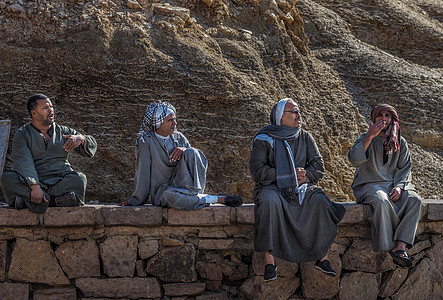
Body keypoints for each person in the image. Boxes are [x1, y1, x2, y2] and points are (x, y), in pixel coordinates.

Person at [249, 98, 345, 281]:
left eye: (299, 111)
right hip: (272, 187)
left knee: (319, 200)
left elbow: (318, 165)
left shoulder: (305, 137)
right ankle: (269, 260)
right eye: (294, 112)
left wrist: (306, 175)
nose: (298, 115)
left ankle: (322, 257)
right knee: (269, 202)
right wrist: (287, 174)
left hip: (301, 187)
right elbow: (257, 171)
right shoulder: (263, 139)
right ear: (281, 117)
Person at [119, 101, 242, 209]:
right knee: (172, 197)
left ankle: (195, 196)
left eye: (175, 119)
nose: (175, 123)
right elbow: (143, 171)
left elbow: (193, 161)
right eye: (170, 120)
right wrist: (136, 200)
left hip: (185, 188)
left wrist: (185, 149)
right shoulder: (146, 141)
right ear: (158, 122)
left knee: (193, 152)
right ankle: (216, 199)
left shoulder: (179, 138)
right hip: (164, 192)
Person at [348, 103, 422, 267]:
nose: (383, 119)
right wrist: (370, 137)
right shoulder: (364, 138)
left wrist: (399, 186)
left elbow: (405, 168)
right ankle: (390, 247)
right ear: (373, 119)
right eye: (380, 115)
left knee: (415, 200)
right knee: (382, 201)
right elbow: (354, 160)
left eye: (387, 115)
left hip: (394, 184)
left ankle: (401, 246)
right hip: (369, 184)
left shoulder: (400, 142)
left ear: (393, 119)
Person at [0, 94, 97, 213]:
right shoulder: (23, 134)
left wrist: (81, 138)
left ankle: (29, 201)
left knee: (80, 179)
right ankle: (56, 201)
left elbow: (91, 146)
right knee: (7, 178)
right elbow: (24, 162)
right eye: (46, 108)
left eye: (51, 106)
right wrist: (35, 186)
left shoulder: (63, 132)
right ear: (34, 113)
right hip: (32, 182)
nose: (51, 110)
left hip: (58, 181)